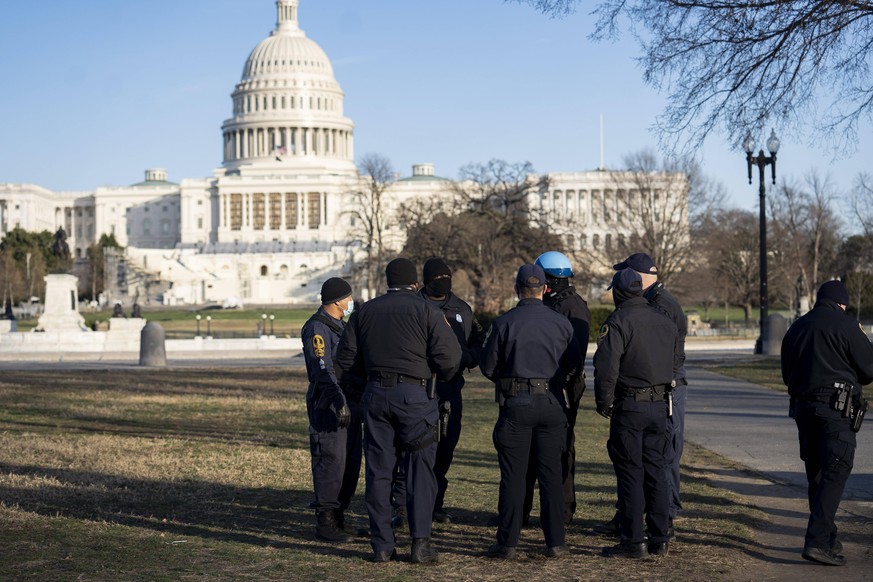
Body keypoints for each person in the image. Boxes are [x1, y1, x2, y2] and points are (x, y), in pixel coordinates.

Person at [335, 258, 461, 564]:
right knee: (419, 471)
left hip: (376, 395)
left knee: (379, 472)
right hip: (416, 396)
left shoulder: (365, 313)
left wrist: (366, 383)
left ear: (386, 282)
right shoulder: (427, 311)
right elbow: (450, 358)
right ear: (415, 283)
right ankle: (420, 543)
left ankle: (382, 546)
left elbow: (345, 361)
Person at [480, 264, 582, 559]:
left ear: (516, 289)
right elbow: (574, 364)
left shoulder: (504, 323)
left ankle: (508, 542)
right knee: (551, 474)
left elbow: (488, 367)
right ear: (545, 290)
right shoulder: (561, 323)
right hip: (551, 402)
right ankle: (556, 542)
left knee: (513, 476)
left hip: (517, 403)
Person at [781, 280, 873, 566]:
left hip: (803, 408)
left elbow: (787, 373)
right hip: (836, 408)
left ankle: (828, 537)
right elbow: (869, 370)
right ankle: (818, 542)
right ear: (842, 303)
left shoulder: (795, 328)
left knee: (818, 475)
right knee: (836, 472)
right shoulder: (846, 326)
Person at [595, 252, 687, 538]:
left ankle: (637, 533)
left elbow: (607, 366)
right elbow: (674, 353)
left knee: (637, 468)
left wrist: (606, 400)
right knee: (656, 466)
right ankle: (658, 534)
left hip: (640, 399)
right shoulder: (658, 311)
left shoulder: (638, 313)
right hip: (659, 399)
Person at [392, 257, 486, 525]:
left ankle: (434, 504)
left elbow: (479, 340)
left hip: (449, 389)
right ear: (425, 281)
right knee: (410, 449)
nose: (443, 283)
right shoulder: (414, 306)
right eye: (438, 278)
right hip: (418, 390)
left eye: (448, 278)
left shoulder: (461, 309)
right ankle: (401, 507)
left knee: (445, 450)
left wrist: (467, 358)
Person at [520, 251, 589, 525]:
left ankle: (561, 510)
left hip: (562, 387)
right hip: (550, 384)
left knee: (560, 449)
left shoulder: (571, 305)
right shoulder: (557, 302)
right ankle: (527, 509)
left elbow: (575, 355)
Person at [301, 277, 361, 543]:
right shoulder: (317, 327)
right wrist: (338, 401)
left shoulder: (339, 326)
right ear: (337, 301)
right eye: (348, 298)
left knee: (349, 462)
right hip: (329, 405)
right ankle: (325, 522)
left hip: (348, 402)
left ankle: (339, 518)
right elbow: (321, 368)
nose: (351, 302)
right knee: (330, 461)